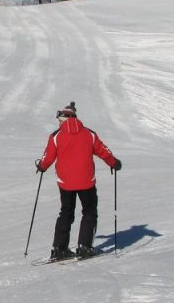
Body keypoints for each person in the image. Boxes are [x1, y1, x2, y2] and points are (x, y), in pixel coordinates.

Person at [36, 102, 121, 260]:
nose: (58, 121)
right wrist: (114, 162)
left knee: (66, 212)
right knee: (89, 211)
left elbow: (47, 158)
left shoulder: (56, 136)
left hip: (65, 182)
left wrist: (41, 167)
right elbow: (103, 150)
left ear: (65, 118)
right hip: (86, 181)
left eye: (60, 118)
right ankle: (84, 247)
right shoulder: (89, 134)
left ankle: (59, 249)